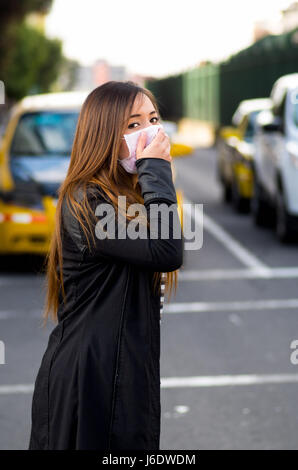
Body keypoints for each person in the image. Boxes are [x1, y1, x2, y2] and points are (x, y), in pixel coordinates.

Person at [28, 81, 183, 450]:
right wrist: (156, 171)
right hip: (90, 384)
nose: (149, 132)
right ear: (103, 136)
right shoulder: (87, 201)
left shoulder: (126, 196)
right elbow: (166, 251)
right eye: (132, 125)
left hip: (122, 377)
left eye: (153, 119)